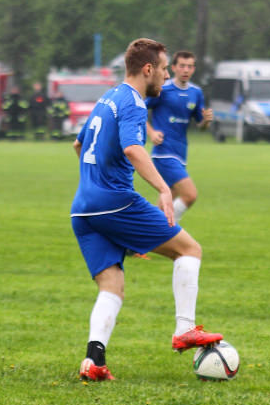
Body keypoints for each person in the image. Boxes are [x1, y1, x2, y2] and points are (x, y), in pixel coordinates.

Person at [71, 38, 223, 381]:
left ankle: (94, 361)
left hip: (82, 209)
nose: (167, 76)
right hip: (115, 203)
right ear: (148, 69)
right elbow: (133, 149)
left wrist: (95, 181)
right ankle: (185, 329)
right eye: (165, 68)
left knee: (112, 285)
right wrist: (164, 188)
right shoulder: (135, 103)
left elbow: (79, 144)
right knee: (189, 250)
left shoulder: (106, 98)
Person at [145, 50, 213, 222]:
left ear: (194, 69)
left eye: (190, 66)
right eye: (182, 66)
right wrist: (151, 132)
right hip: (164, 153)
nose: (186, 70)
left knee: (166, 201)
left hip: (181, 152)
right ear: (173, 67)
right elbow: (139, 110)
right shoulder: (163, 89)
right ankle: (167, 231)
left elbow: (201, 126)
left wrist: (205, 121)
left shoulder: (196, 93)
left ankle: (140, 242)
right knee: (189, 195)